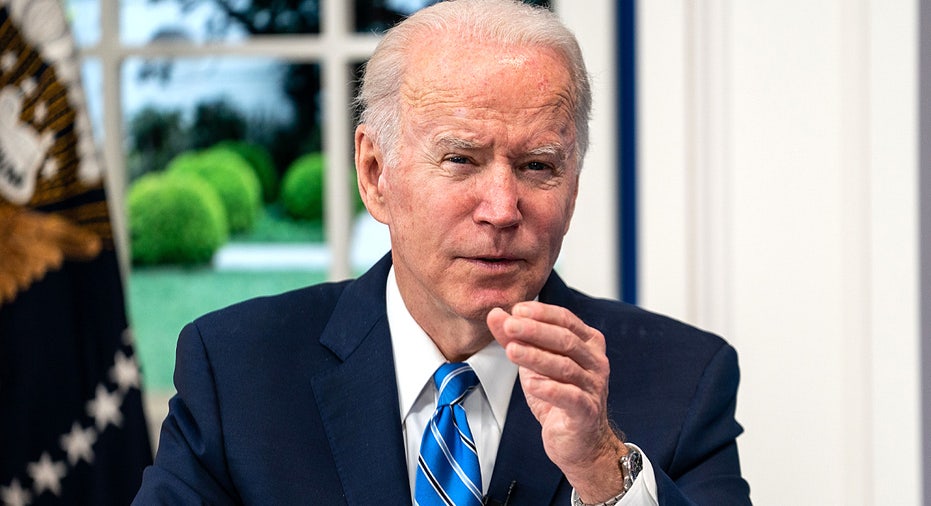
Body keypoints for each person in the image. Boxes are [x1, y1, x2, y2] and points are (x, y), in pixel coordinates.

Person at [133, 0, 751, 504]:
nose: (503, 208)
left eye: (538, 166)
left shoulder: (685, 380)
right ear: (375, 174)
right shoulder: (236, 369)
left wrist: (600, 467)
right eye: (461, 160)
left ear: (574, 186)